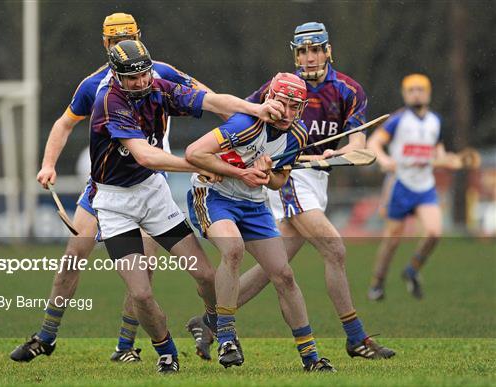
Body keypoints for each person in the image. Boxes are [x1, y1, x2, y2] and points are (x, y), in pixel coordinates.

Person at [10, 12, 221, 364]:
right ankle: (46, 337)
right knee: (73, 257)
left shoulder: (159, 72)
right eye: (113, 39)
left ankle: (126, 347)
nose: (120, 44)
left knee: (145, 270)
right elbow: (63, 125)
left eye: (128, 37)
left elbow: (206, 96)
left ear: (140, 37)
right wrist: (48, 163)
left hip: (151, 182)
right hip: (104, 187)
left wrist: (234, 136)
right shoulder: (93, 86)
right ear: (105, 44)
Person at [188, 21, 395, 360]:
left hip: (317, 177)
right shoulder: (281, 88)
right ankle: (355, 338)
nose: (309, 58)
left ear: (328, 51)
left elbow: (359, 142)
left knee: (277, 271)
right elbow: (244, 116)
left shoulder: (348, 90)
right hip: (289, 179)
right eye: (302, 51)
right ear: (295, 54)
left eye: (316, 50)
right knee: (335, 250)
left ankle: (209, 322)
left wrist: (339, 153)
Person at [87, 40, 283, 373]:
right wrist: (199, 165)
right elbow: (146, 155)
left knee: (206, 275)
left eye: (143, 74)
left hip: (152, 195)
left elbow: (211, 99)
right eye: (130, 77)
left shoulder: (159, 88)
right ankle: (166, 351)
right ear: (116, 76)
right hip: (114, 204)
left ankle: (212, 326)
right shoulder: (110, 101)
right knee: (141, 293)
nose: (139, 82)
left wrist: (255, 109)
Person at [186, 72, 335, 372]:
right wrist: (243, 172)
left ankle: (311, 358)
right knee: (233, 250)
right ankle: (227, 338)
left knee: (283, 275)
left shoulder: (299, 135)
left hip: (254, 205)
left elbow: (279, 180)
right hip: (214, 195)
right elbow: (194, 153)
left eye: (296, 107)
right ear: (269, 98)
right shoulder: (245, 123)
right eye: (283, 104)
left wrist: (267, 175)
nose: (288, 113)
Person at [367, 74, 456, 301]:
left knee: (435, 232)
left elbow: (439, 153)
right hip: (400, 185)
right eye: (411, 90)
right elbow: (374, 142)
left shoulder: (436, 121)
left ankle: (411, 270)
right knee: (392, 240)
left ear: (428, 93)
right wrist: (385, 161)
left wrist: (450, 160)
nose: (416, 93)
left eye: (420, 89)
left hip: (425, 186)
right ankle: (377, 283)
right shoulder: (398, 120)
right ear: (405, 94)